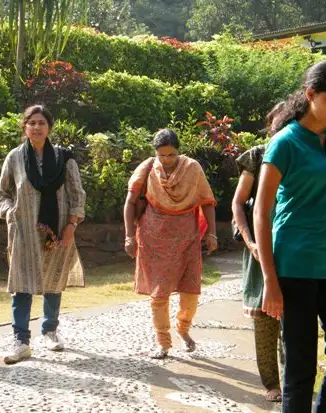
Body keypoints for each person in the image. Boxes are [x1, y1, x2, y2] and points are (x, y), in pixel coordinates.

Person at [254, 60, 326, 412]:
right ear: (311, 94)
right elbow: (261, 211)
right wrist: (269, 279)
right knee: (300, 369)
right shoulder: (284, 143)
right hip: (295, 265)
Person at [0, 105, 86, 365]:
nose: (36, 127)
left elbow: (76, 193)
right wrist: (10, 212)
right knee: (21, 285)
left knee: (53, 281)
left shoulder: (63, 158)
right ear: (25, 127)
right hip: (23, 232)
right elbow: (2, 192)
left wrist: (72, 225)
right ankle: (21, 340)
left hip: (56, 231)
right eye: (31, 122)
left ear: (49, 128)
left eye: (41, 123)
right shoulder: (14, 157)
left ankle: (50, 331)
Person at [124, 128, 218, 359]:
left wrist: (212, 234)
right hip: (153, 238)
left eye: (171, 155)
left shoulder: (192, 169)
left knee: (191, 291)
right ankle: (163, 342)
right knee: (159, 293)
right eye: (162, 155)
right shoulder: (147, 168)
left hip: (187, 238)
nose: (167, 160)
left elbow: (207, 201)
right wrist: (128, 236)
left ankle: (183, 328)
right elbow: (130, 201)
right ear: (155, 153)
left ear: (179, 152)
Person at [232, 143, 283, 403]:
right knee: (265, 320)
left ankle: (294, 379)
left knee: (296, 318)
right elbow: (238, 203)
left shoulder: (310, 150)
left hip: (297, 248)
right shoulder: (258, 155)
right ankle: (272, 383)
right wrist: (250, 241)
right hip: (260, 249)